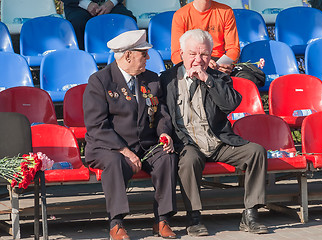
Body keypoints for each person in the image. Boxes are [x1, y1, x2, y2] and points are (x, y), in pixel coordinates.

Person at [160, 29, 268, 237]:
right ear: (181, 53)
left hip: (217, 140)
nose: (198, 60)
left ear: (211, 56)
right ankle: (194, 218)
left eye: (204, 55)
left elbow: (231, 104)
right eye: (193, 54)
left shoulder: (219, 77)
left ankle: (251, 214)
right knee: (189, 160)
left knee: (256, 151)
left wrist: (208, 80)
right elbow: (162, 115)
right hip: (187, 143)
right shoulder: (167, 79)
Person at [83, 30, 178, 240]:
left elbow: (162, 113)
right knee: (115, 161)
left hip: (144, 144)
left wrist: (164, 134)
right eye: (144, 54)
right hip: (107, 146)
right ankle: (116, 224)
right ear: (128, 56)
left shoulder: (151, 79)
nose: (148, 58)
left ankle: (162, 220)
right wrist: (124, 150)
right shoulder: (100, 81)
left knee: (167, 157)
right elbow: (96, 125)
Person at [171, 0, 239, 75]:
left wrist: (223, 64)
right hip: (194, 61)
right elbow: (176, 54)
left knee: (246, 78)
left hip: (218, 62)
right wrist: (202, 63)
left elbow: (233, 49)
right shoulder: (180, 15)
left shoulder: (226, 12)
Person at [61, 0, 136, 50]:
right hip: (77, 4)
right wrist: (87, 4)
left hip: (110, 4)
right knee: (78, 24)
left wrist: (111, 2)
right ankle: (83, 62)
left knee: (128, 20)